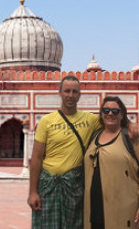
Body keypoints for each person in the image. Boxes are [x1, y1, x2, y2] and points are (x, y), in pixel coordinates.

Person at [28, 75, 101, 229]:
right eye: (67, 91)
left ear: (80, 95)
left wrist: (131, 124)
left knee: (74, 225)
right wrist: (33, 192)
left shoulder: (90, 120)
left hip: (73, 185)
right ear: (60, 92)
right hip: (48, 185)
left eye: (75, 92)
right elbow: (36, 158)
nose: (70, 95)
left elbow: (112, 117)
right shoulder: (47, 121)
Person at [84, 96, 139, 228]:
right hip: (93, 211)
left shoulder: (131, 138)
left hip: (124, 211)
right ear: (101, 114)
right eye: (106, 110)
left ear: (122, 115)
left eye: (115, 111)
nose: (110, 114)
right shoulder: (93, 135)